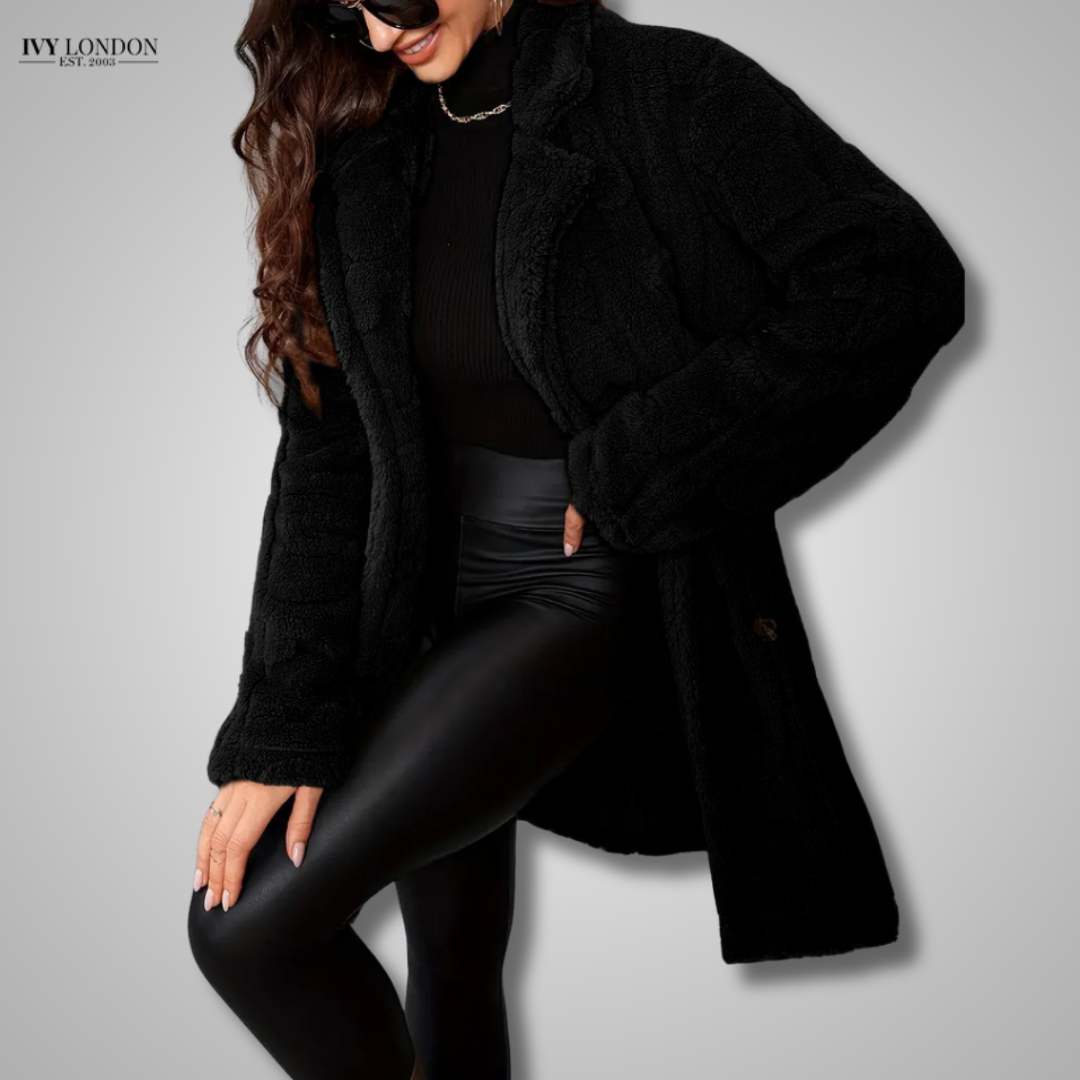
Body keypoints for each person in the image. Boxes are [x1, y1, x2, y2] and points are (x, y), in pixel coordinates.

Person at [188, 1, 965, 1077]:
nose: (379, 34)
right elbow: (328, 447)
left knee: (245, 931)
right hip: (411, 597)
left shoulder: (666, 91)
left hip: (576, 587)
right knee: (452, 966)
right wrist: (284, 720)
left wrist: (643, 462)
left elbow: (892, 276)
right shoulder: (372, 145)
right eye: (346, 9)